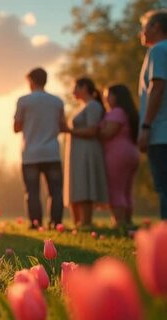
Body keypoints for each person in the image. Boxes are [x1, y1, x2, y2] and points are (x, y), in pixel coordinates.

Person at [14, 67, 68, 229]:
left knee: (32, 192)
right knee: (55, 191)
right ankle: (56, 222)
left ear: (31, 81)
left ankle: (36, 223)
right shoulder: (57, 101)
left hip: (30, 153)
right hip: (52, 152)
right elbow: (62, 126)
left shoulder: (23, 101)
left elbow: (16, 127)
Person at [65, 77, 108, 228]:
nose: (73, 91)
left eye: (76, 87)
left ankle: (86, 221)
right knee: (78, 183)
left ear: (84, 87)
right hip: (78, 150)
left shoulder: (93, 106)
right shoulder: (82, 107)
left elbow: (92, 130)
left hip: (87, 150)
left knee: (85, 183)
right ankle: (78, 222)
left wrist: (68, 130)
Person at [139, 10, 167, 219]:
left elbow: (157, 87)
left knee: (164, 188)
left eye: (145, 26)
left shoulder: (158, 50)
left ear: (157, 27)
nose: (142, 32)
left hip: (161, 132)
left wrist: (146, 126)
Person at [99, 84, 140, 227]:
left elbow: (108, 132)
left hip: (117, 153)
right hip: (132, 152)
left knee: (115, 188)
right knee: (126, 189)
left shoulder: (116, 112)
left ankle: (119, 222)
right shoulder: (128, 112)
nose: (105, 98)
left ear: (116, 96)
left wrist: (92, 131)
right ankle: (128, 221)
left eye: (108, 95)